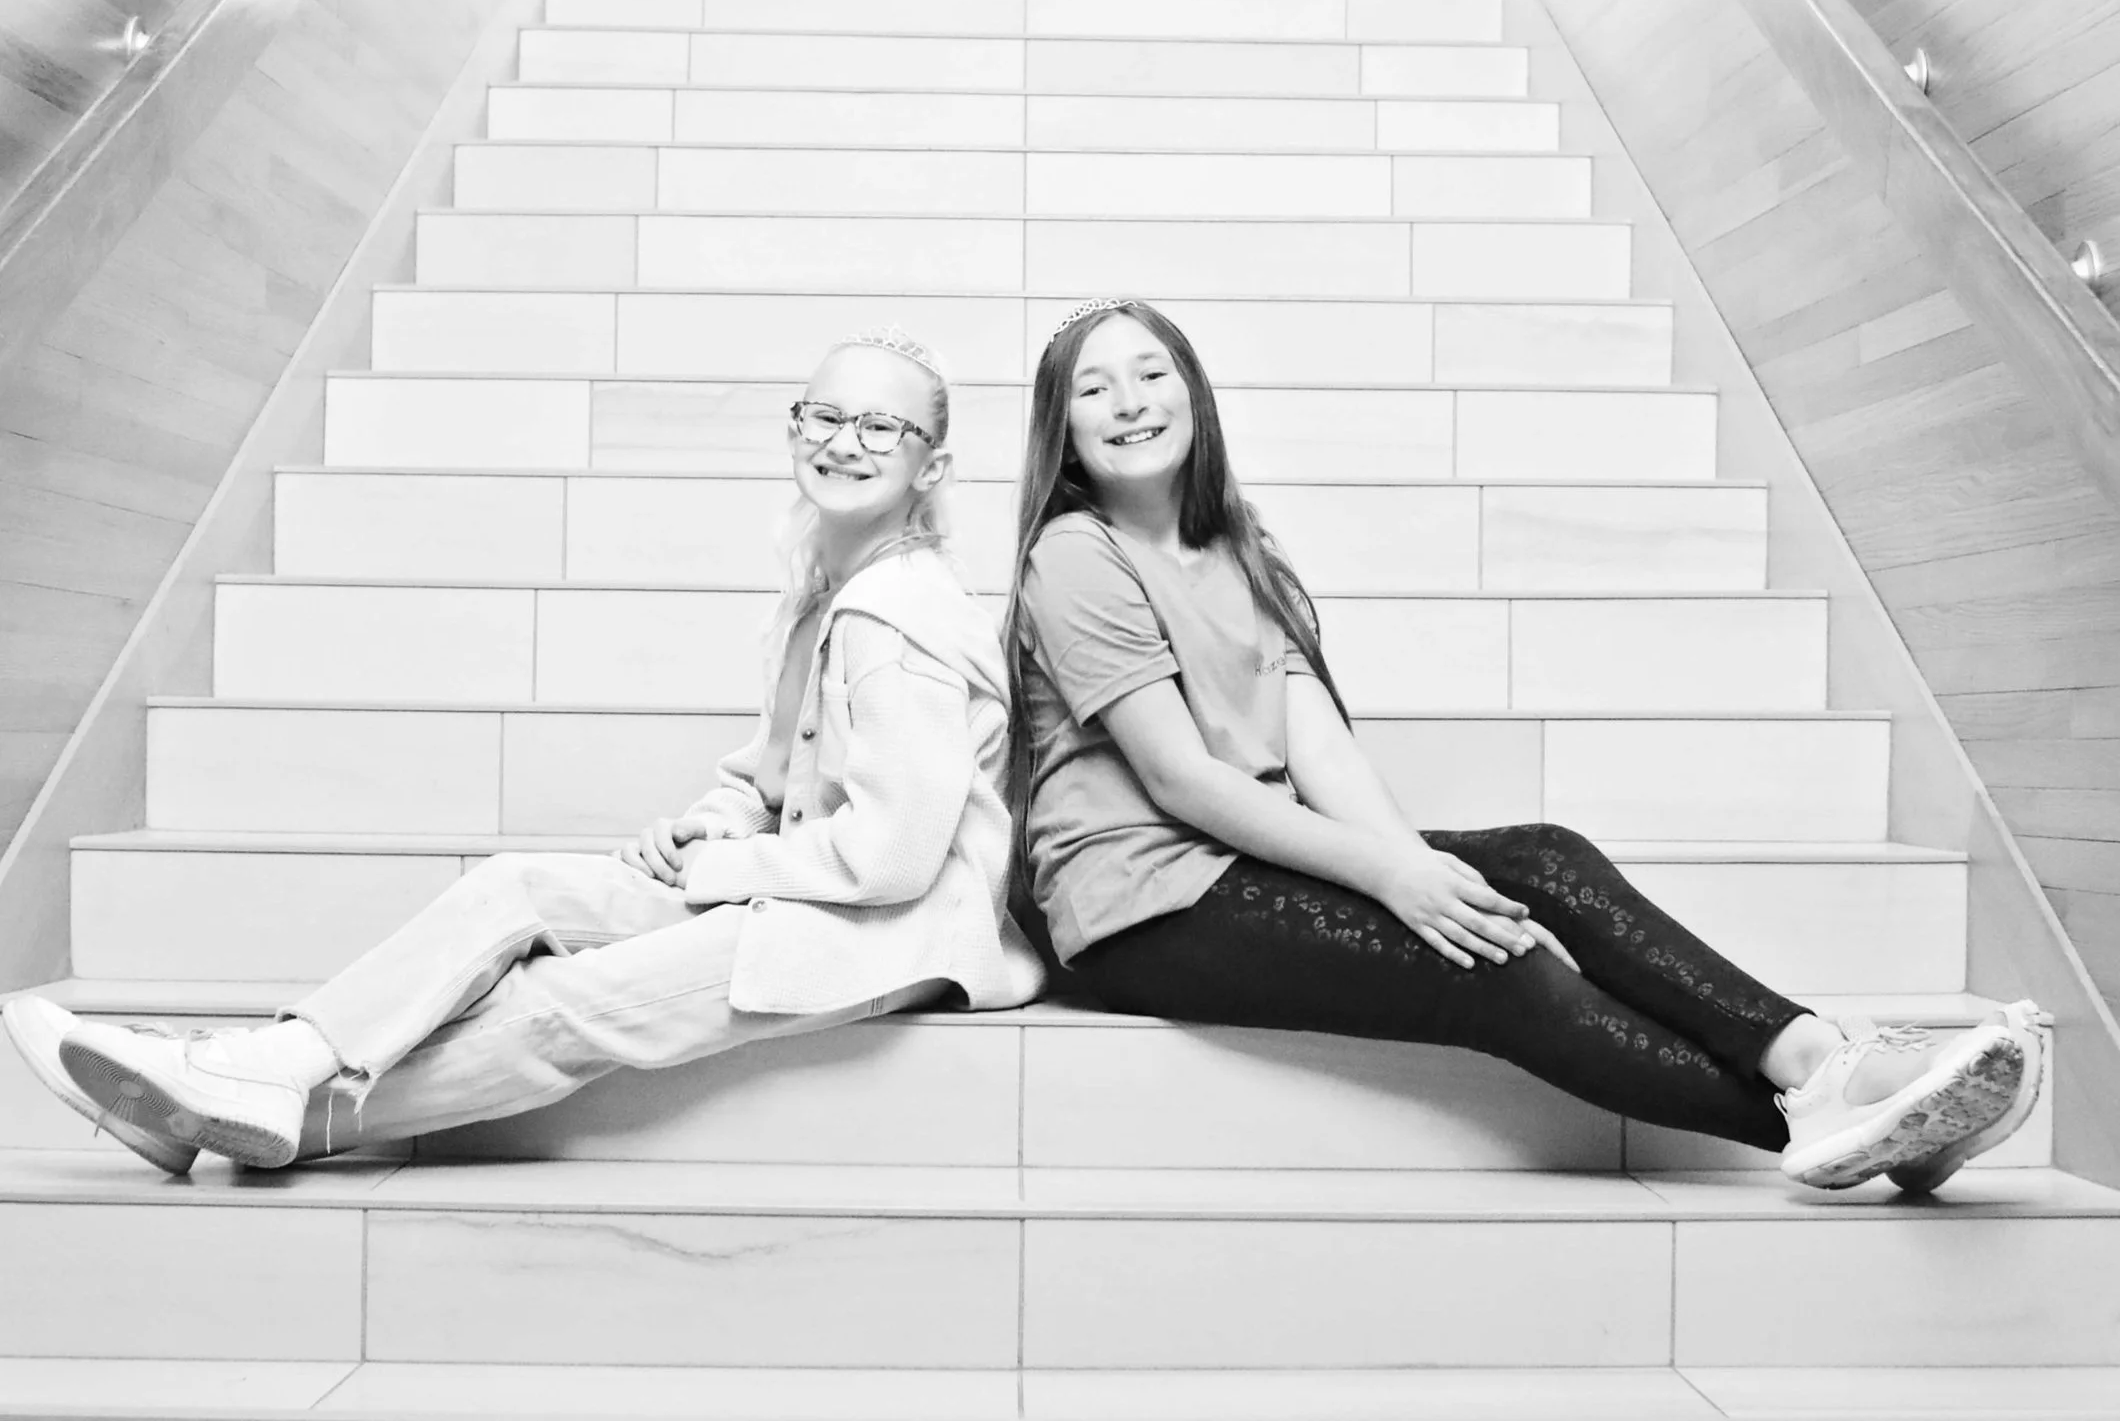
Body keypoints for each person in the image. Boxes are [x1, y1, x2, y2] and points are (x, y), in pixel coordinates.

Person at [1005, 298, 2042, 1193]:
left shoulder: (1239, 545)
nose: (1129, 399)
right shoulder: (1073, 555)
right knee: (1494, 972)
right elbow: (1180, 778)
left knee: (1541, 857)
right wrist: (1392, 876)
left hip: (1238, 861)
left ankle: (1817, 1058)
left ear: (1193, 392)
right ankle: (1817, 1115)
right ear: (1063, 425)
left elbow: (1319, 754)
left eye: (1150, 370)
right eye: (1094, 388)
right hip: (1137, 904)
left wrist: (1416, 867)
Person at [7, 328, 1042, 1173]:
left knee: (561, 1003)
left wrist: (724, 865)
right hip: (813, 889)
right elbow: (769, 774)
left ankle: (270, 1108)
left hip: (889, 934)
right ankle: (270, 1060)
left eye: (880, 424)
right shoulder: (828, 587)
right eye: (823, 412)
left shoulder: (895, 613)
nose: (843, 439)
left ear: (929, 464)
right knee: (517, 888)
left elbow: (896, 856)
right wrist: (710, 823)